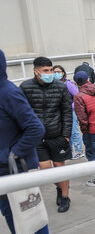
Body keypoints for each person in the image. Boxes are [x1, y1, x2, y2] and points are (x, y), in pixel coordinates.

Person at [0, 49, 52, 234]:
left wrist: (13, 153)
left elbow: (35, 128)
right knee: (9, 212)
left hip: (15, 164)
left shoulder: (8, 92)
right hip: (3, 167)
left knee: (30, 208)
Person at [20, 57, 73, 213]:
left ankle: (65, 196)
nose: (50, 73)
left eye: (51, 70)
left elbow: (67, 111)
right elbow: (22, 113)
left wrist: (66, 134)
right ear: (36, 71)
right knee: (45, 170)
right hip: (37, 138)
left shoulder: (60, 87)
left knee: (59, 167)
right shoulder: (25, 87)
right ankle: (59, 188)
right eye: (46, 71)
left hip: (57, 135)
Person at [53, 65, 84, 160]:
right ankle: (69, 150)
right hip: (60, 112)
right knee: (66, 132)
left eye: (58, 72)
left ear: (63, 73)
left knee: (74, 131)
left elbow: (77, 96)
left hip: (70, 111)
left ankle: (79, 151)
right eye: (54, 72)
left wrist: (70, 107)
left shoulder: (68, 84)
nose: (56, 74)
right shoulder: (53, 84)